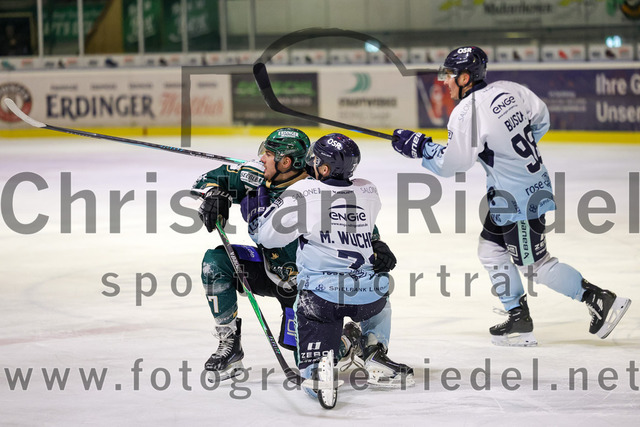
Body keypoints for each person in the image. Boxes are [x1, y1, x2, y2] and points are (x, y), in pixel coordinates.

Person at [390, 46, 631, 346]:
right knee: (490, 249)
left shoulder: (466, 112)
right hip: (516, 193)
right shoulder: (509, 90)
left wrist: (421, 148)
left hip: (519, 201)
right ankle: (518, 317)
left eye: (450, 76)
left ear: (465, 78)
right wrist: (506, 154)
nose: (445, 82)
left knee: (536, 265)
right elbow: (541, 118)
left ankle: (599, 299)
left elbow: (453, 164)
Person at [254, 133, 414, 404]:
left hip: (322, 298)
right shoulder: (368, 191)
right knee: (380, 283)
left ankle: (318, 370)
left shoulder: (303, 193)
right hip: (368, 297)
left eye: (315, 160)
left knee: (310, 368)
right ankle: (374, 351)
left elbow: (267, 237)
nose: (310, 164)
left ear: (325, 168)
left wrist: (258, 198)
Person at [193, 128, 311, 380]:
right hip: (268, 270)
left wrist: (375, 243)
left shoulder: (317, 190)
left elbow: (351, 220)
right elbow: (206, 180)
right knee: (216, 262)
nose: (261, 158)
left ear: (285, 162)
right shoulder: (256, 176)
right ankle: (229, 344)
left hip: (309, 288)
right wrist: (214, 194)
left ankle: (349, 341)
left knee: (309, 364)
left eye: (268, 154)